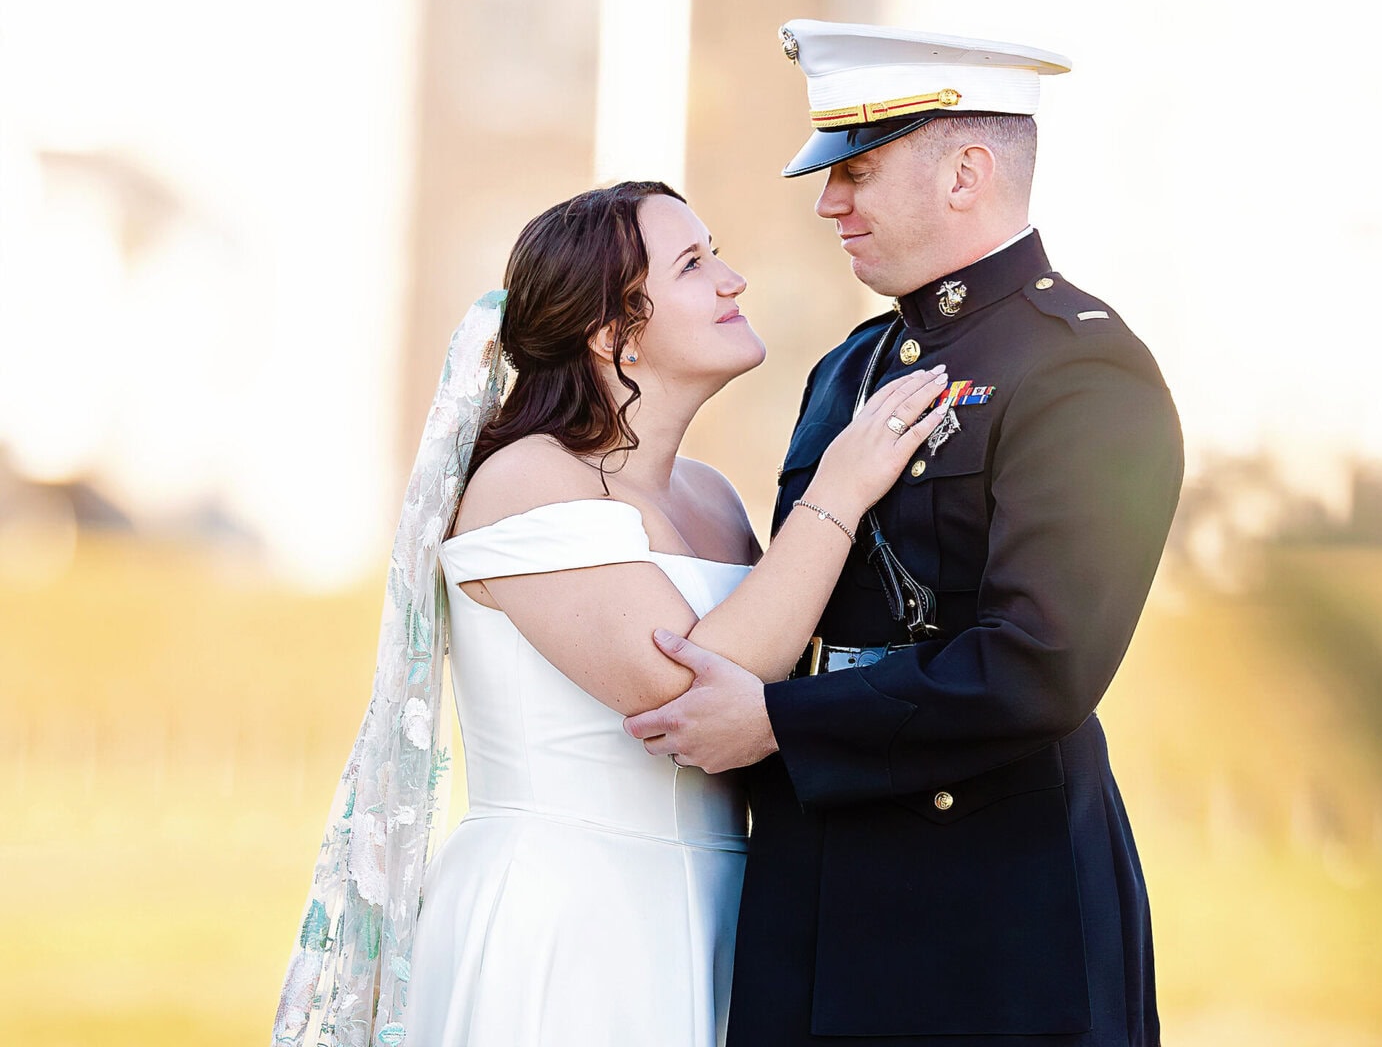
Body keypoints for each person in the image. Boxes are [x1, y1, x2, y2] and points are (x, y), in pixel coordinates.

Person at [271, 179, 951, 1047]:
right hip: (568, 916)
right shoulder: (525, 480)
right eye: (694, 264)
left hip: (726, 908)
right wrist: (840, 492)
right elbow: (688, 692)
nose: (733, 280)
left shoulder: (709, 496)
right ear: (611, 333)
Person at [623, 21, 1186, 1046]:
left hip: (985, 906)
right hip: (814, 879)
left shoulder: (1080, 372)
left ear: (965, 172)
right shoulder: (851, 365)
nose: (828, 201)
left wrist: (781, 725)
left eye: (859, 171)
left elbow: (1040, 663)